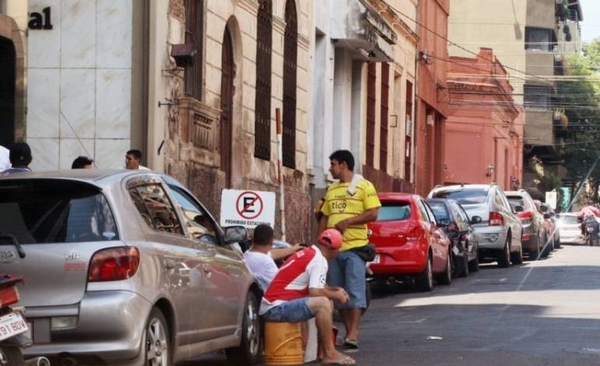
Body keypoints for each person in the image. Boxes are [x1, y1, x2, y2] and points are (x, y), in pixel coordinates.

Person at [260, 228, 356, 365]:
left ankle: (322, 352)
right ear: (335, 250)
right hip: (276, 308)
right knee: (322, 303)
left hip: (275, 305)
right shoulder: (319, 260)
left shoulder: (310, 252)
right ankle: (330, 353)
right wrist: (336, 295)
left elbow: (315, 287)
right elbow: (315, 292)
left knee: (327, 301)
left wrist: (336, 290)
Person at [318, 149, 380, 350]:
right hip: (332, 250)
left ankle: (354, 333)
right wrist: (319, 245)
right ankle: (348, 332)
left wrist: (348, 222)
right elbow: (324, 217)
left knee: (354, 291)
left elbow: (373, 214)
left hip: (355, 248)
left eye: (333, 164)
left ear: (343, 165)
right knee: (337, 292)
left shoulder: (364, 186)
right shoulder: (331, 190)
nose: (330, 169)